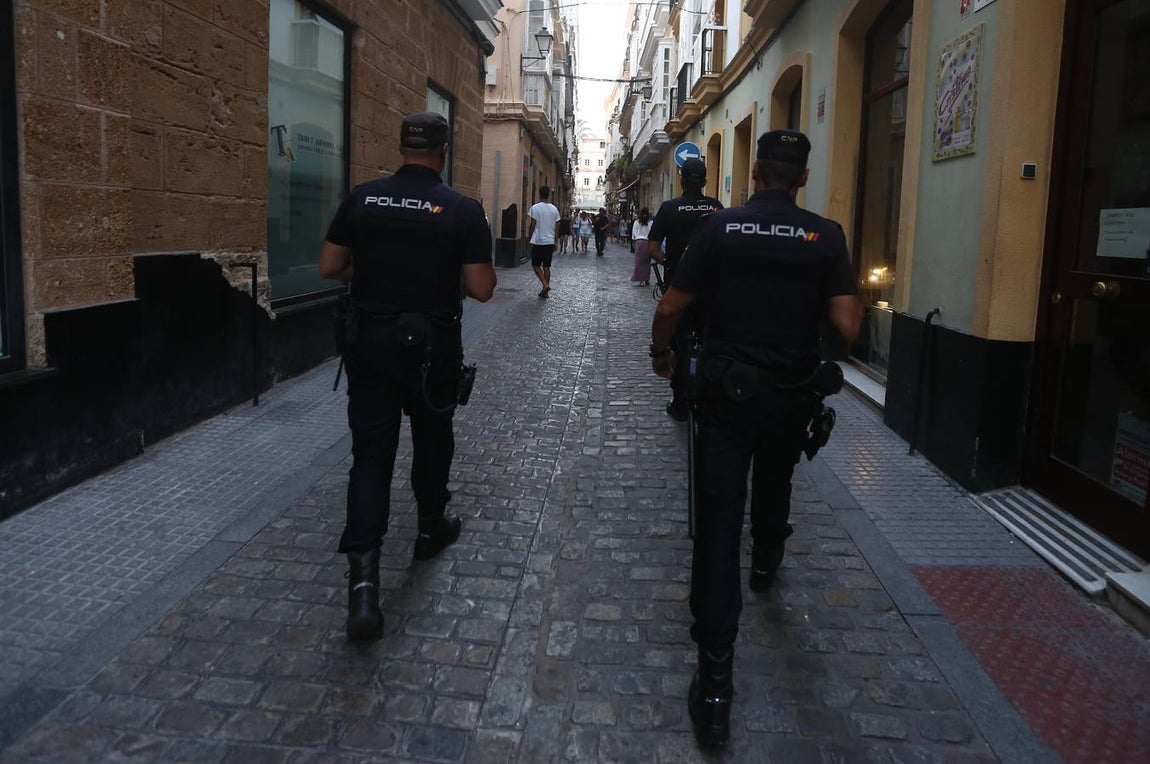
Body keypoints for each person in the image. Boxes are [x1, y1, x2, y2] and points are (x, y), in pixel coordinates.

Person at [649, 130, 862, 747]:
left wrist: (662, 354)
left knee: (717, 525)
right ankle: (767, 560)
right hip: (790, 393)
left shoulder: (721, 228)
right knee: (777, 480)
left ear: (756, 172)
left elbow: (670, 304)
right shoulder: (825, 236)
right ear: (802, 177)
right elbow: (847, 324)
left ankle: (715, 685)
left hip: (724, 394)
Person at [319, 112, 497, 642]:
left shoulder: (363, 199)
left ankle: (364, 587)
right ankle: (429, 526)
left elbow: (330, 265)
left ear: (401, 147)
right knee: (433, 437)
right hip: (432, 348)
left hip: (369, 345)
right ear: (444, 151)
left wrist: (375, 272)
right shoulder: (463, 210)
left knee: (370, 457)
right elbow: (484, 288)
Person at [648, 158, 723, 421]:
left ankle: (680, 399)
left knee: (678, 344)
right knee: (711, 341)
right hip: (710, 289)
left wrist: (669, 263)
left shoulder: (670, 209)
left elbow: (652, 247)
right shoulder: (716, 207)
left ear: (682, 180)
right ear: (704, 180)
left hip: (679, 286)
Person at [527, 186, 561, 298]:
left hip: (538, 241)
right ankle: (544, 290)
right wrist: (555, 242)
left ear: (539, 193)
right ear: (548, 195)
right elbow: (557, 228)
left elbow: (532, 225)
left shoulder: (535, 208)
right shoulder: (554, 209)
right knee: (547, 266)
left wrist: (529, 238)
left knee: (536, 265)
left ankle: (545, 284)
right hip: (550, 241)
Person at [630, 207, 653, 286]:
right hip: (648, 242)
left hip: (639, 242)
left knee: (639, 261)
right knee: (647, 262)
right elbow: (652, 233)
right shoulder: (651, 223)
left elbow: (633, 234)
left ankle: (640, 279)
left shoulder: (636, 222)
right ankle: (646, 278)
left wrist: (633, 243)